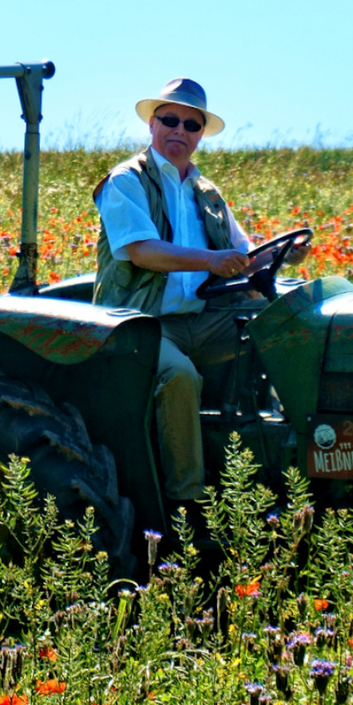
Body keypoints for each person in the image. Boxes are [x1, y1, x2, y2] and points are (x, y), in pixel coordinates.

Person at [92, 77, 254, 507]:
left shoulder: (208, 193)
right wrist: (208, 261)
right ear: (152, 124)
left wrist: (286, 254)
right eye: (170, 119)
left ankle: (274, 470)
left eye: (191, 124)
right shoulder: (126, 181)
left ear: (201, 134)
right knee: (179, 376)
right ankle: (189, 508)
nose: (179, 130)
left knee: (276, 335)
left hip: (200, 318)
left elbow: (243, 252)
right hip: (137, 323)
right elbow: (142, 252)